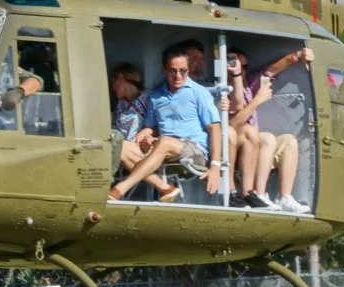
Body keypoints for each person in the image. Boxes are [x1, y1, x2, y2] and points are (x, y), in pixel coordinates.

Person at [108, 46, 222, 202]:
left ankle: (119, 189)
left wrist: (215, 166)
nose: (178, 76)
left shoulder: (199, 92)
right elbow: (150, 127)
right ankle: (165, 188)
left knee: (164, 142)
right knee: (121, 146)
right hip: (162, 147)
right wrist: (145, 135)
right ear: (164, 70)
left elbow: (214, 128)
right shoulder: (156, 95)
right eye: (172, 71)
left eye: (183, 71)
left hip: (194, 150)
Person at [227, 46, 313, 214]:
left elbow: (272, 70)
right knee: (266, 138)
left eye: (244, 67)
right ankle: (258, 193)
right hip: (235, 148)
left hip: (254, 144)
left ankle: (285, 197)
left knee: (288, 141)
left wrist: (296, 55)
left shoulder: (248, 83)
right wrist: (257, 101)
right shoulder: (221, 88)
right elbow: (232, 125)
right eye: (234, 65)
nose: (240, 70)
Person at [174, 38, 258, 209]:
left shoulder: (206, 84)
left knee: (249, 131)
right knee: (227, 132)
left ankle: (248, 193)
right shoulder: (178, 86)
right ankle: (230, 191)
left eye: (200, 58)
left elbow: (237, 104)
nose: (198, 63)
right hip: (195, 139)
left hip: (210, 134)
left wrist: (235, 75)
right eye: (193, 58)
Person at [109, 62, 179, 202]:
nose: (112, 88)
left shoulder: (148, 98)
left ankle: (119, 190)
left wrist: (150, 134)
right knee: (117, 146)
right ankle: (164, 187)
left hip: (146, 147)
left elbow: (162, 122)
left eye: (114, 83)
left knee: (119, 146)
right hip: (127, 147)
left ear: (121, 78)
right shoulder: (121, 105)